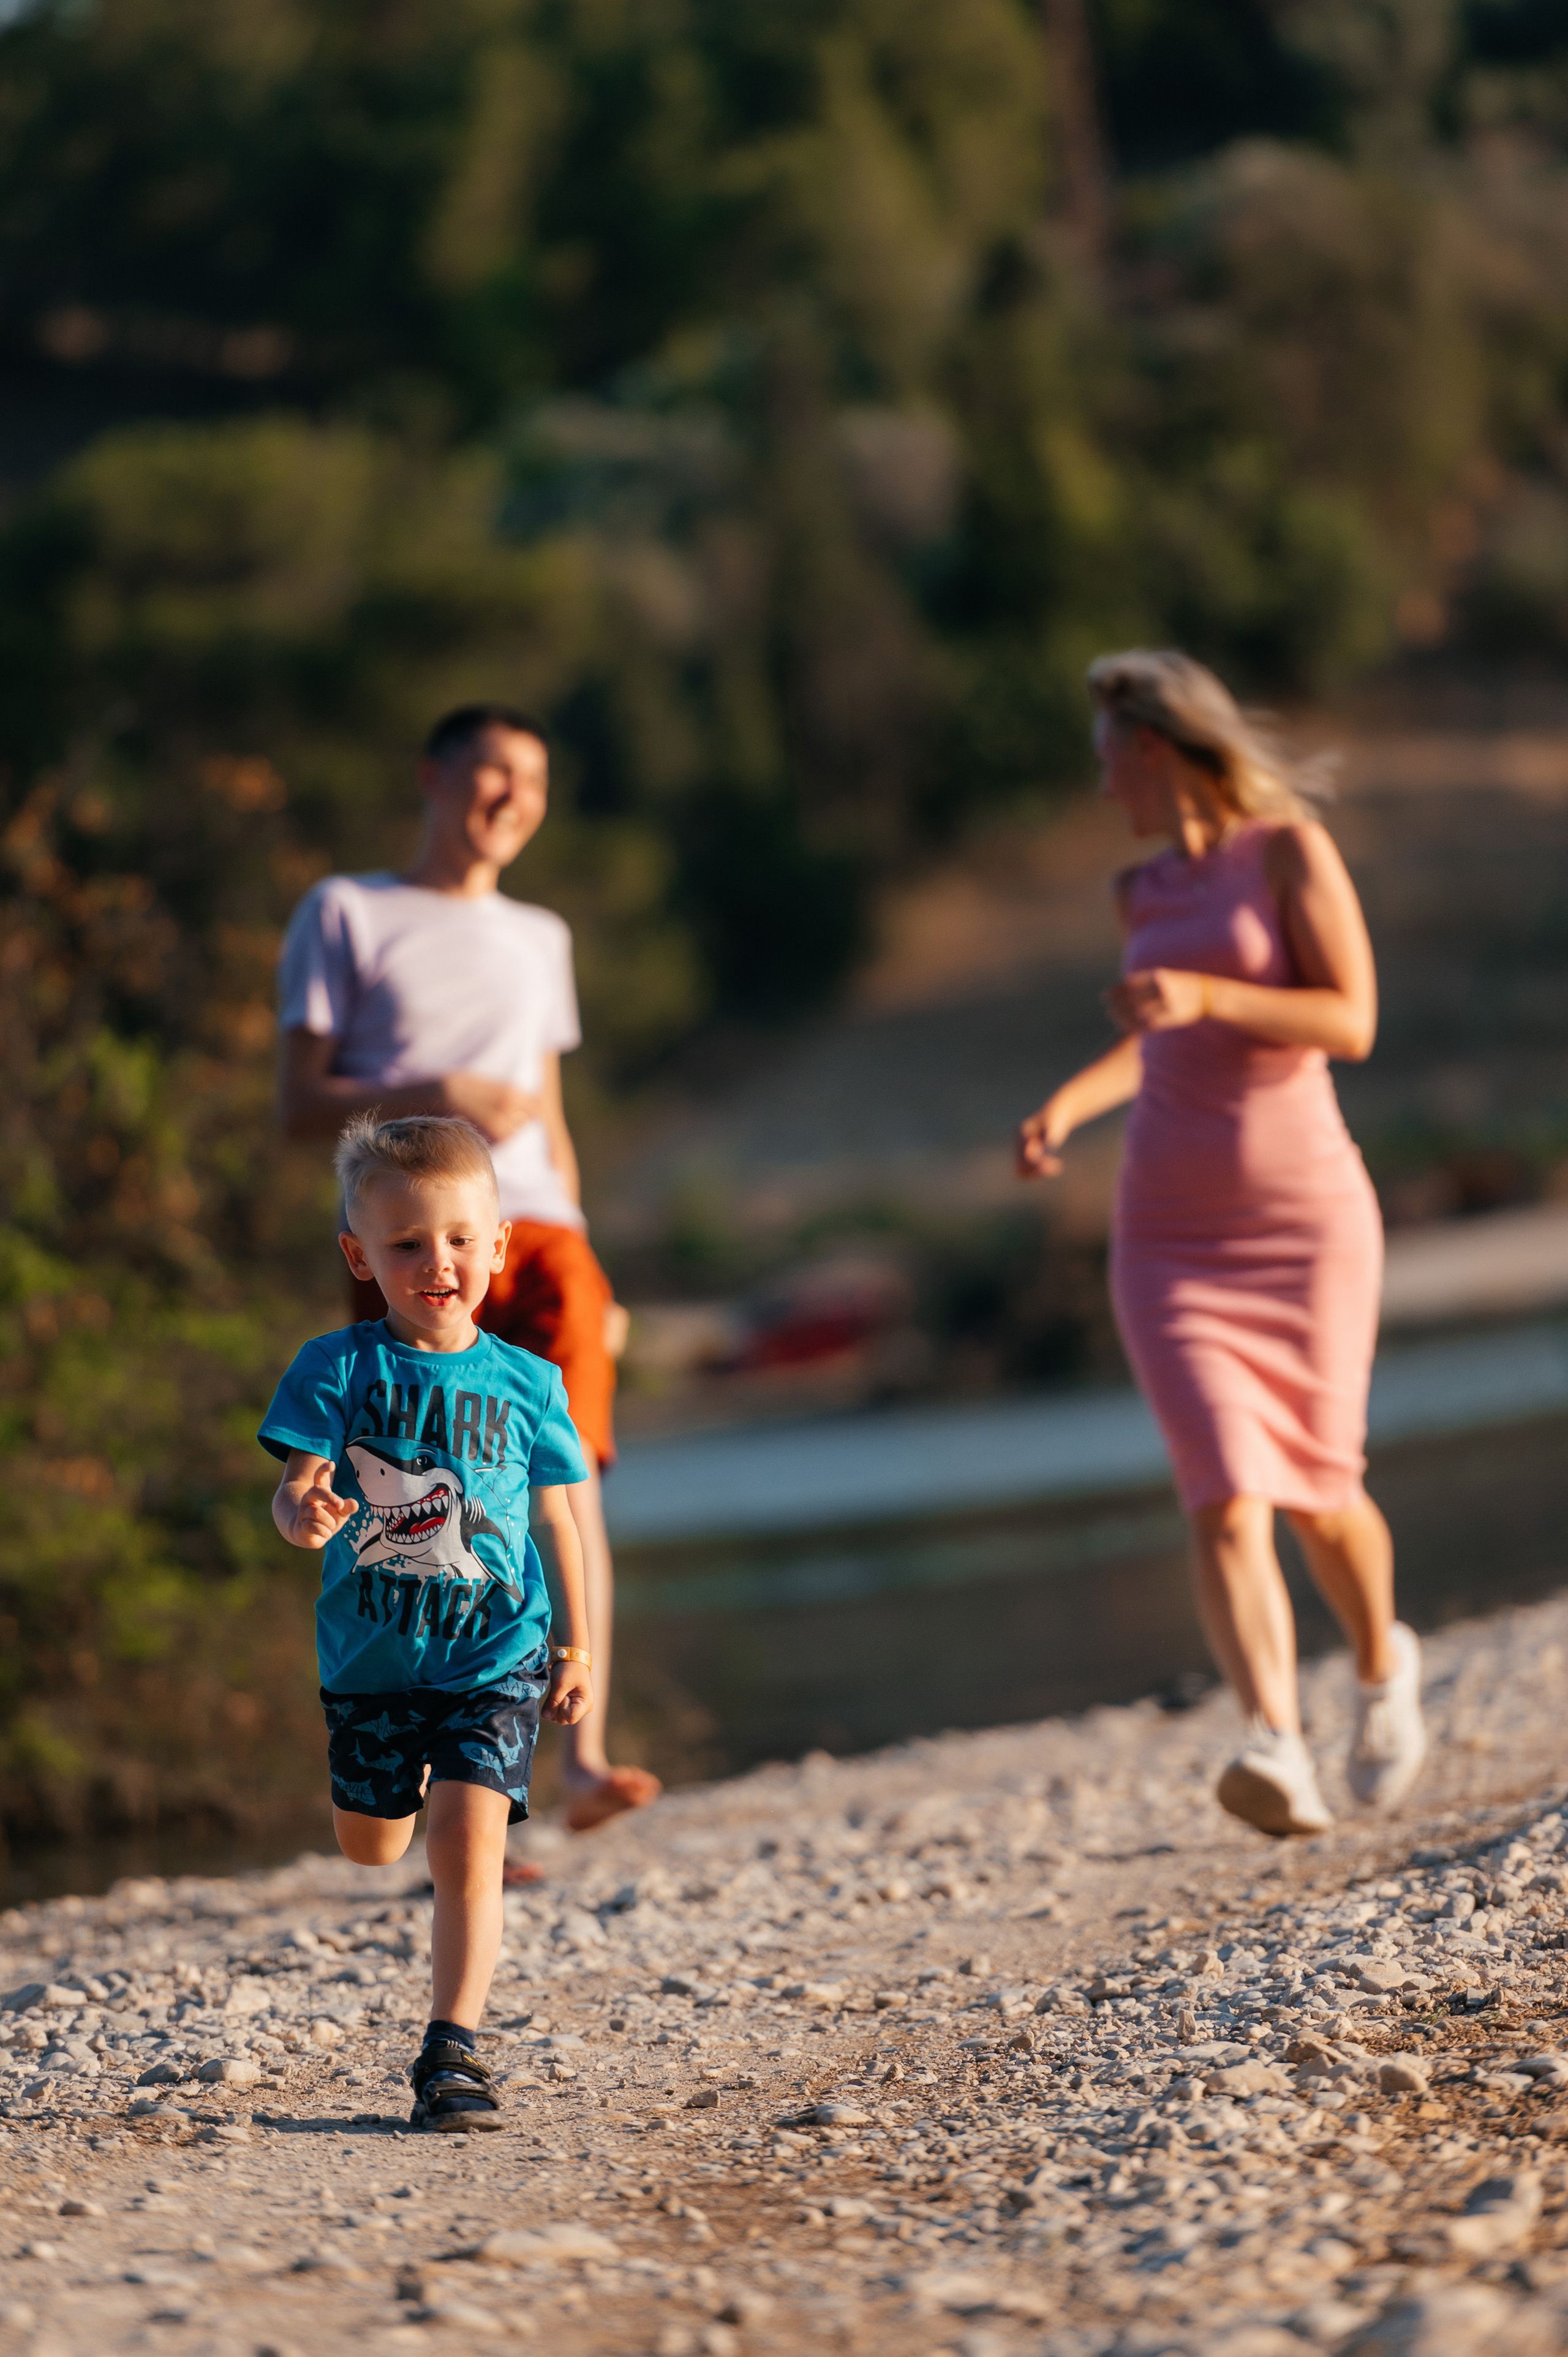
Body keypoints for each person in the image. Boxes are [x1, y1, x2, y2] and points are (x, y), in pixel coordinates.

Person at [1016, 649, 1426, 1837]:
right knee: (1222, 1494)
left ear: (1153, 746)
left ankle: (1377, 1665)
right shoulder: (1135, 892)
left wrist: (1202, 994)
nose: (1100, 789)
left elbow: (1346, 1018)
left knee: (1321, 1491)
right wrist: (1068, 1104)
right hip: (1165, 1232)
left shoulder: (1289, 851)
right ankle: (1271, 1741)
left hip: (1303, 1220)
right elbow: (1155, 1039)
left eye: (1106, 761)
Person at [275, 703, 660, 1835]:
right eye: (493, 773)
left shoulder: (542, 936)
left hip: (543, 1233)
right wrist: (440, 1094)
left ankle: (577, 1754)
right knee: (421, 1495)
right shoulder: (347, 911)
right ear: (434, 777)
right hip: (413, 1236)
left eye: (534, 781)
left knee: (565, 1476)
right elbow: (298, 1107)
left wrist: (594, 1258)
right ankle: (454, 1785)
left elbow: (549, 1113)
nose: (513, 798)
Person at [261, 1113, 594, 2130]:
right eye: (406, 1245)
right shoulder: (338, 1366)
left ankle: (452, 2052)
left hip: (495, 1656)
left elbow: (557, 1518)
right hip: (371, 1664)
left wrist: (576, 1647)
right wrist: (301, 1516)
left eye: (459, 1239)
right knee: (374, 1847)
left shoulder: (531, 1384)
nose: (436, 1262)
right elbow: (296, 1488)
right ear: (362, 1258)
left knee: (466, 1840)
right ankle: (382, 1815)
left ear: (499, 1244)